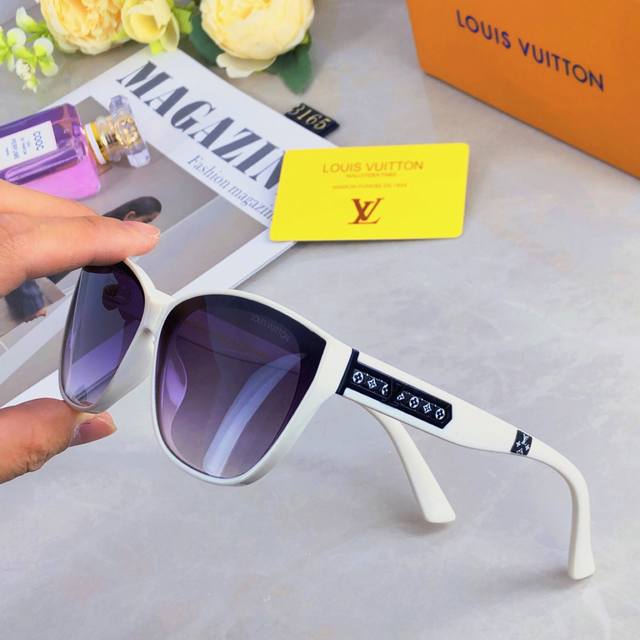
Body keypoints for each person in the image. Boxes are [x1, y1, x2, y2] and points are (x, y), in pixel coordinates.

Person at [0, 180, 160, 484]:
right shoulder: (105, 256)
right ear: (133, 216)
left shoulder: (102, 251)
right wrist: (32, 301)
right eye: (148, 220)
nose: (149, 225)